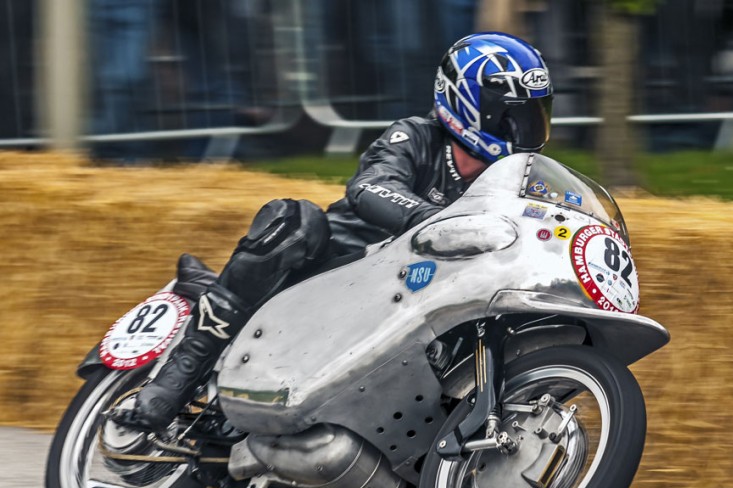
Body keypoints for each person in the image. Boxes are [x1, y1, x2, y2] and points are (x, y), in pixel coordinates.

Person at [115, 31, 554, 432]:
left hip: (402, 313)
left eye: (536, 115)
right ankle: (181, 374)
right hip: (335, 271)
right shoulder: (416, 138)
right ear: (468, 105)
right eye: (513, 116)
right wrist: (427, 218)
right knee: (294, 218)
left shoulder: (509, 188)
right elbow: (369, 186)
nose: (526, 130)